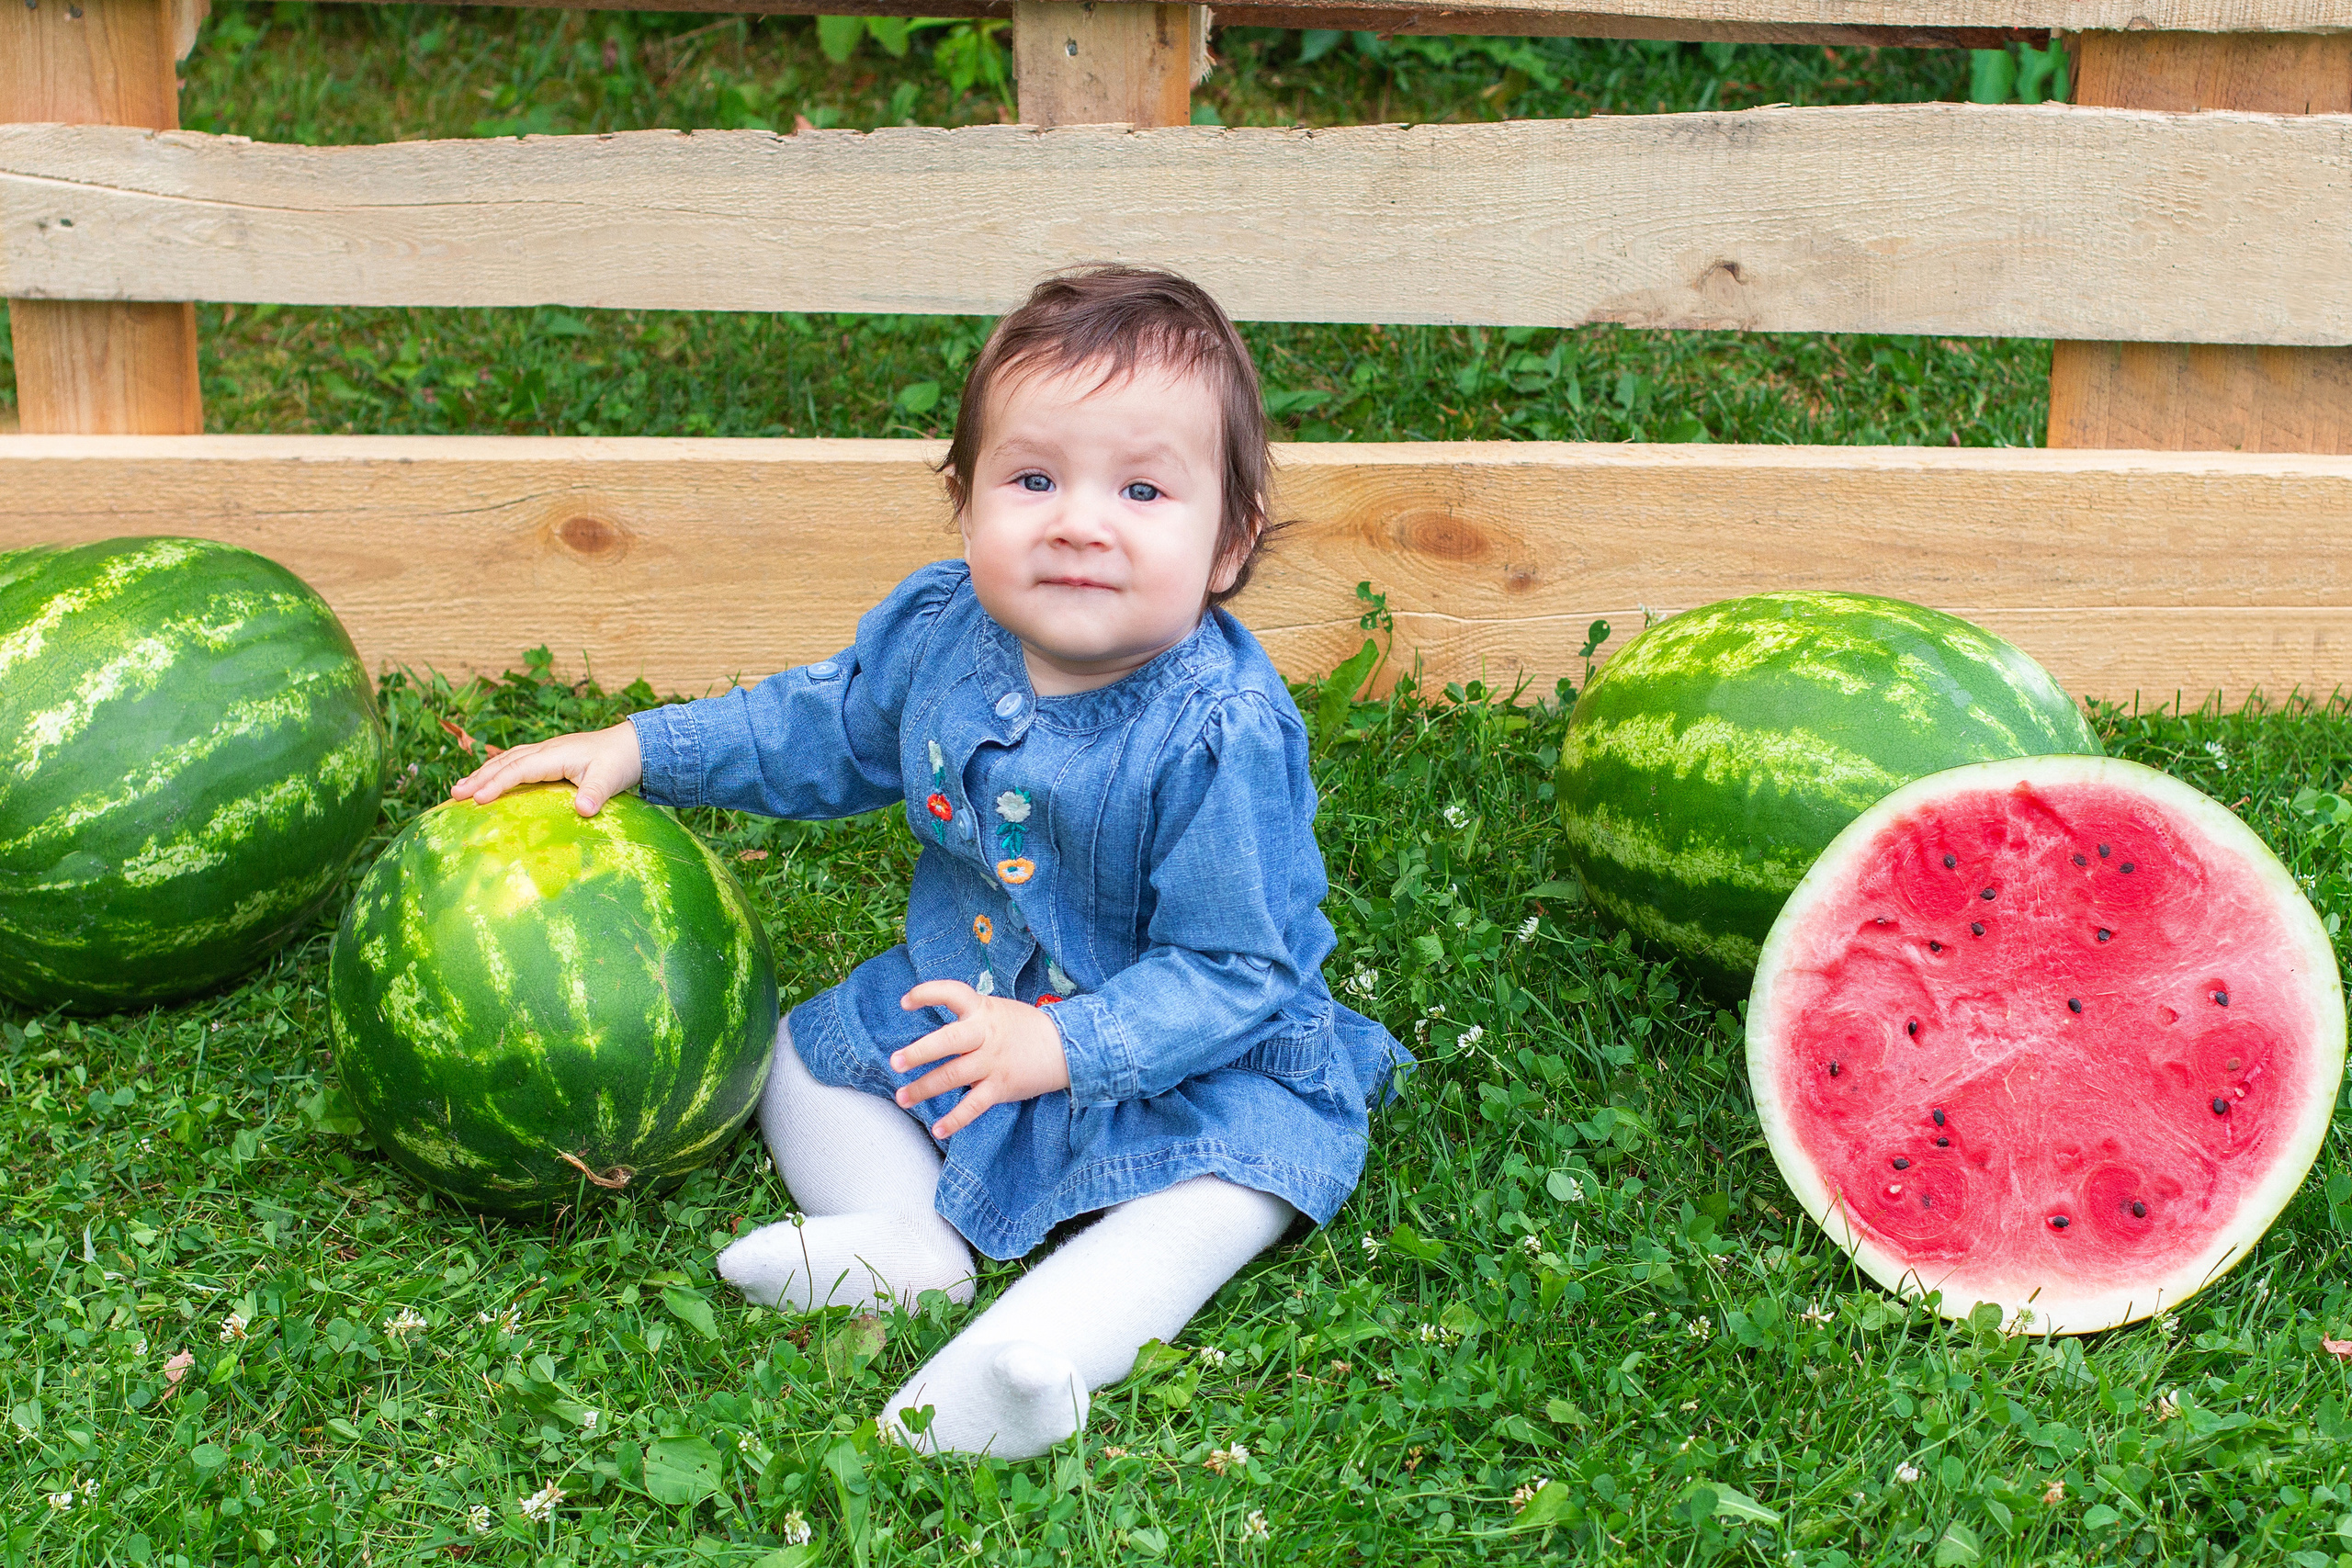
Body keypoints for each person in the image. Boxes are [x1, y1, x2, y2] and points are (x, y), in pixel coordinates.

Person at [449, 265, 1410, 1458]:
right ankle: (904, 1240)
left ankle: (1033, 1360)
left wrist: (1064, 1048)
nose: (1079, 521)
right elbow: (821, 727)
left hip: (1190, 1061)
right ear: (965, 504)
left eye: (1143, 489)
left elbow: (1237, 970)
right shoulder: (945, 630)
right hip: (964, 1009)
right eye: (1034, 479)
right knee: (800, 1057)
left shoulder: (1222, 735)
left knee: (1223, 1195)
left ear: (1229, 542)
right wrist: (648, 746)